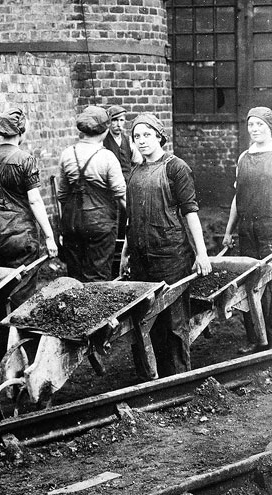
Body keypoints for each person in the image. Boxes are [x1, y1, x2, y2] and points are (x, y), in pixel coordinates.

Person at [119, 114, 211, 378]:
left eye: (147, 135)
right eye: (137, 136)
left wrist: (202, 253)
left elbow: (190, 212)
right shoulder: (135, 172)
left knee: (173, 323)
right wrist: (125, 254)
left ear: (159, 136)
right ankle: (149, 380)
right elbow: (131, 218)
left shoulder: (176, 168)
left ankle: (178, 380)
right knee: (144, 321)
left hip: (171, 257)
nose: (142, 140)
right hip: (141, 258)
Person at [0, 107, 58, 361]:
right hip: (19, 235)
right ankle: (23, 346)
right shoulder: (26, 160)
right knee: (22, 290)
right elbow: (35, 201)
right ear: (21, 132)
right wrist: (49, 236)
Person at [222, 107, 272, 351]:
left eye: (260, 124)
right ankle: (256, 339)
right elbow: (237, 196)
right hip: (248, 230)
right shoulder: (244, 157)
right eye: (251, 124)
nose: (254, 129)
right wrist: (229, 230)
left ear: (270, 127)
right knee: (250, 284)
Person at [58, 105, 126, 282]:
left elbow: (62, 195)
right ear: (105, 130)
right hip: (100, 225)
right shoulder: (107, 157)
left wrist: (64, 226)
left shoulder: (67, 154)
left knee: (75, 277)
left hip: (72, 224)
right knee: (98, 277)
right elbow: (121, 195)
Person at [103, 105, 143, 238]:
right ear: (109, 122)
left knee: (127, 216)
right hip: (110, 188)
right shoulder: (103, 142)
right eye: (114, 120)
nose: (118, 124)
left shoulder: (128, 140)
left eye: (121, 120)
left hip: (127, 186)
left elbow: (138, 161)